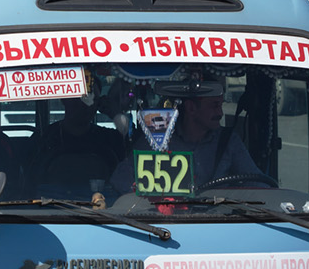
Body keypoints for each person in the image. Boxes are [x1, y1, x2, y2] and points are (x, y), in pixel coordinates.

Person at [109, 82, 259, 193]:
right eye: (214, 106)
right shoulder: (157, 139)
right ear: (191, 108)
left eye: (220, 105)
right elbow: (120, 180)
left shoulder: (229, 141)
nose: (220, 113)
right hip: (164, 223)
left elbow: (258, 183)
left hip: (218, 222)